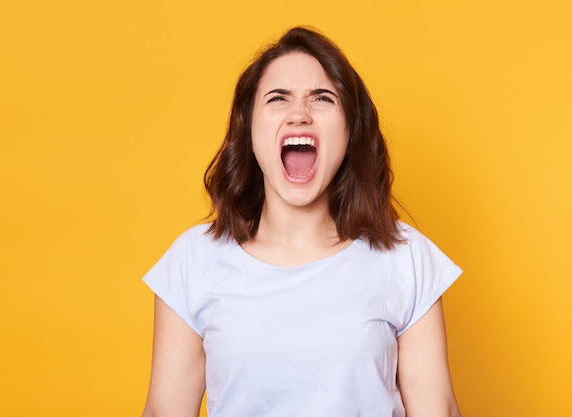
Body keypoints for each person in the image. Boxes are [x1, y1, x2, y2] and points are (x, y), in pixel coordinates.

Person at [141, 26, 463, 417]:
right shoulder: (192, 261)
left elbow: (436, 409)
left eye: (322, 98)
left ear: (349, 129)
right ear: (249, 127)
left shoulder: (406, 256)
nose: (299, 114)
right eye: (278, 98)